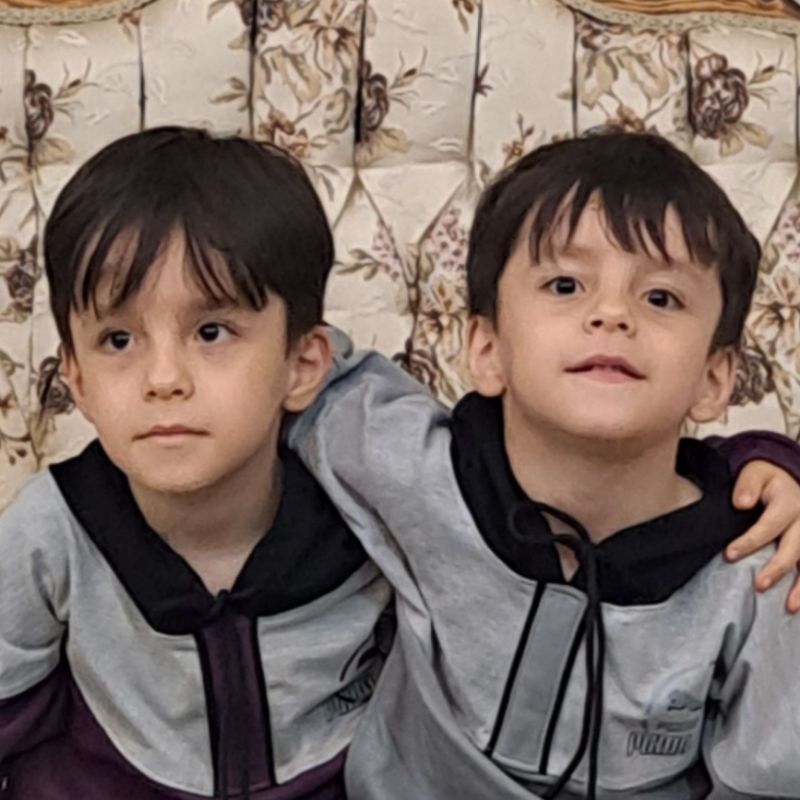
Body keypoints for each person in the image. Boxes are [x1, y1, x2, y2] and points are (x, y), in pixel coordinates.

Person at [290, 132, 800, 798]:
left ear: (714, 378)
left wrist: (775, 460)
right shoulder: (408, 462)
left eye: (661, 298)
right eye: (565, 284)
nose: (611, 314)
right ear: (487, 349)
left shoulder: (759, 569)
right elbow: (276, 355)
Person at [0, 127, 393, 800]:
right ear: (78, 380)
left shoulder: (369, 500)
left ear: (302, 364)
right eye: (117, 340)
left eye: (211, 332)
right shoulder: (49, 531)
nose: (163, 379)